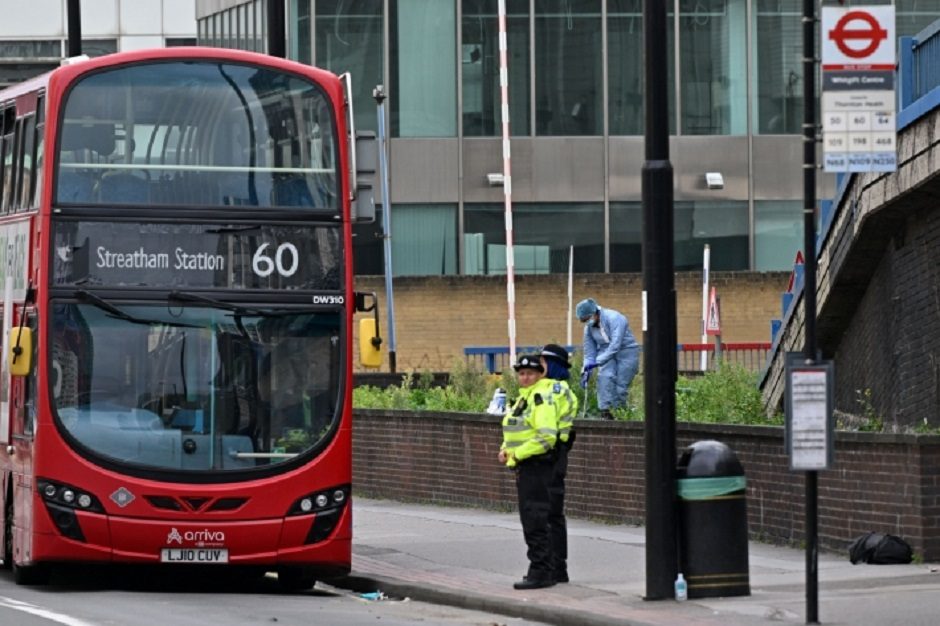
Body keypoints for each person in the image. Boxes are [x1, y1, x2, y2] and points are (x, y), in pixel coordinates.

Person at [497, 354, 559, 590]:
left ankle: (541, 571)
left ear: (540, 374)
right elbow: (515, 432)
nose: (525, 377)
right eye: (522, 374)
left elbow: (546, 437)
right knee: (533, 518)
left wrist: (517, 454)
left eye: (530, 373)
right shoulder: (524, 398)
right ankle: (544, 570)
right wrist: (505, 450)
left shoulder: (540, 398)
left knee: (535, 519)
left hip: (536, 465)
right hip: (525, 465)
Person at [539, 344, 578, 584]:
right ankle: (555, 565)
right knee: (550, 513)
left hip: (552, 454)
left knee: (550, 513)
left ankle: (556, 566)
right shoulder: (554, 390)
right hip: (553, 453)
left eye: (542, 362)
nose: (538, 366)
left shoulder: (555, 391)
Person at [575, 298, 640, 420]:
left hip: (626, 351)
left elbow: (616, 345)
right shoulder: (589, 328)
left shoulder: (615, 318)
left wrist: (596, 362)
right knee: (604, 379)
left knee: (620, 385)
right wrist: (585, 370)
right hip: (605, 351)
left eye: (586, 319)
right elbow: (589, 352)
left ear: (594, 313)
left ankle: (620, 413)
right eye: (583, 321)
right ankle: (606, 413)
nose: (586, 323)